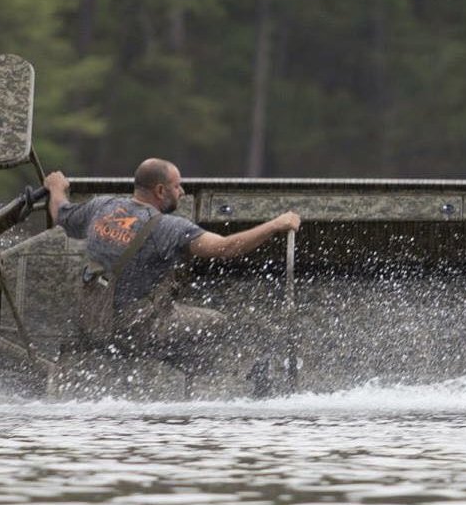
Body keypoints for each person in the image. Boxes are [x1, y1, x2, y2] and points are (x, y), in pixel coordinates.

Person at [43, 158, 301, 372]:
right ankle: (191, 377)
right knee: (218, 322)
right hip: (132, 330)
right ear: (159, 191)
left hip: (91, 321)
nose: (183, 192)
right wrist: (276, 224)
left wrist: (56, 186)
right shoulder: (170, 228)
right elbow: (226, 248)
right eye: (177, 187)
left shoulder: (102, 206)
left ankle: (163, 367)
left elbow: (61, 214)